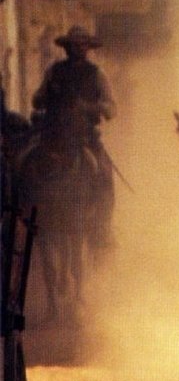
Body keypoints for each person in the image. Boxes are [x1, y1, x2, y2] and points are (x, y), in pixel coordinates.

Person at [28, 26, 117, 236]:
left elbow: (112, 109)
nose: (78, 48)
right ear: (67, 47)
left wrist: (88, 107)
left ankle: (102, 226)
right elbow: (37, 99)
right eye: (74, 45)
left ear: (88, 48)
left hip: (83, 136)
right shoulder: (54, 71)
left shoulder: (97, 74)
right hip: (52, 133)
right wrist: (45, 97)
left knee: (104, 174)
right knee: (26, 162)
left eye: (82, 45)